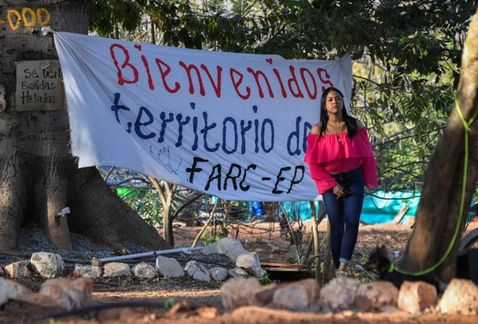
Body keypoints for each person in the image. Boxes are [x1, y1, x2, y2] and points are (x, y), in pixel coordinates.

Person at [304, 87, 378, 275]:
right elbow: (314, 165)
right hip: (330, 182)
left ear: (343, 102)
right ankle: (338, 268)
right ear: (324, 105)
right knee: (336, 225)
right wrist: (332, 185)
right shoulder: (318, 130)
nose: (334, 102)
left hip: (354, 179)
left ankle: (343, 268)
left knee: (352, 222)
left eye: (338, 98)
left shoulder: (355, 125)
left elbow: (367, 157)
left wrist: (369, 180)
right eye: (330, 99)